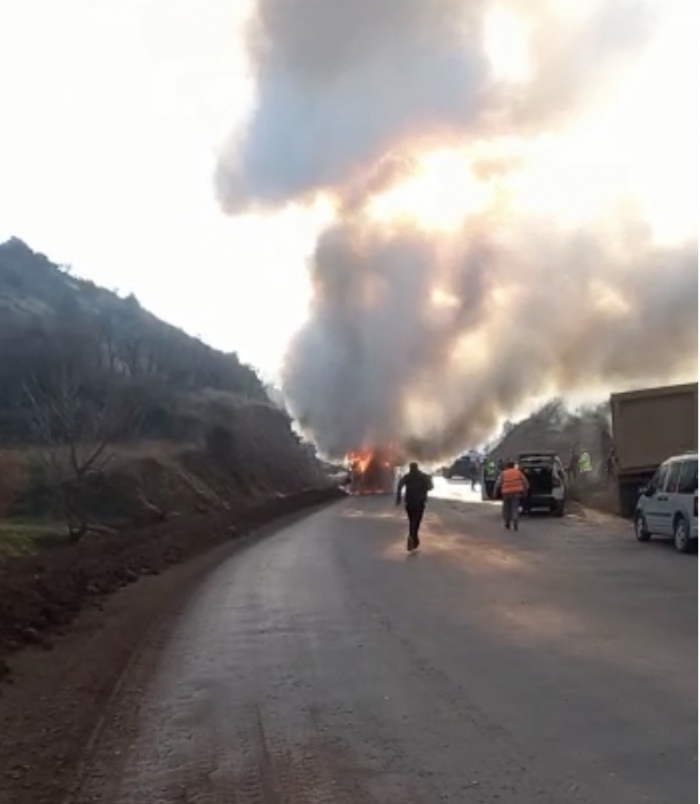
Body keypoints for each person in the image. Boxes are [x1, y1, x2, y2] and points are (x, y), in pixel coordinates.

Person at [396, 462, 434, 551]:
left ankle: (413, 538)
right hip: (419, 503)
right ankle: (413, 537)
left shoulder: (407, 477)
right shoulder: (423, 477)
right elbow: (431, 487)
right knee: (416, 521)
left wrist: (398, 499)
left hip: (409, 503)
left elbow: (399, 486)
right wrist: (427, 483)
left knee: (412, 520)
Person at [494, 460, 529, 531]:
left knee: (506, 508)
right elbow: (525, 482)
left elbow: (498, 483)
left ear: (506, 466)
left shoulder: (504, 473)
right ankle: (515, 520)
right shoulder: (518, 472)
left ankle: (507, 522)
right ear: (513, 466)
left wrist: (495, 492)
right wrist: (525, 491)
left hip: (506, 493)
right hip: (516, 492)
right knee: (514, 507)